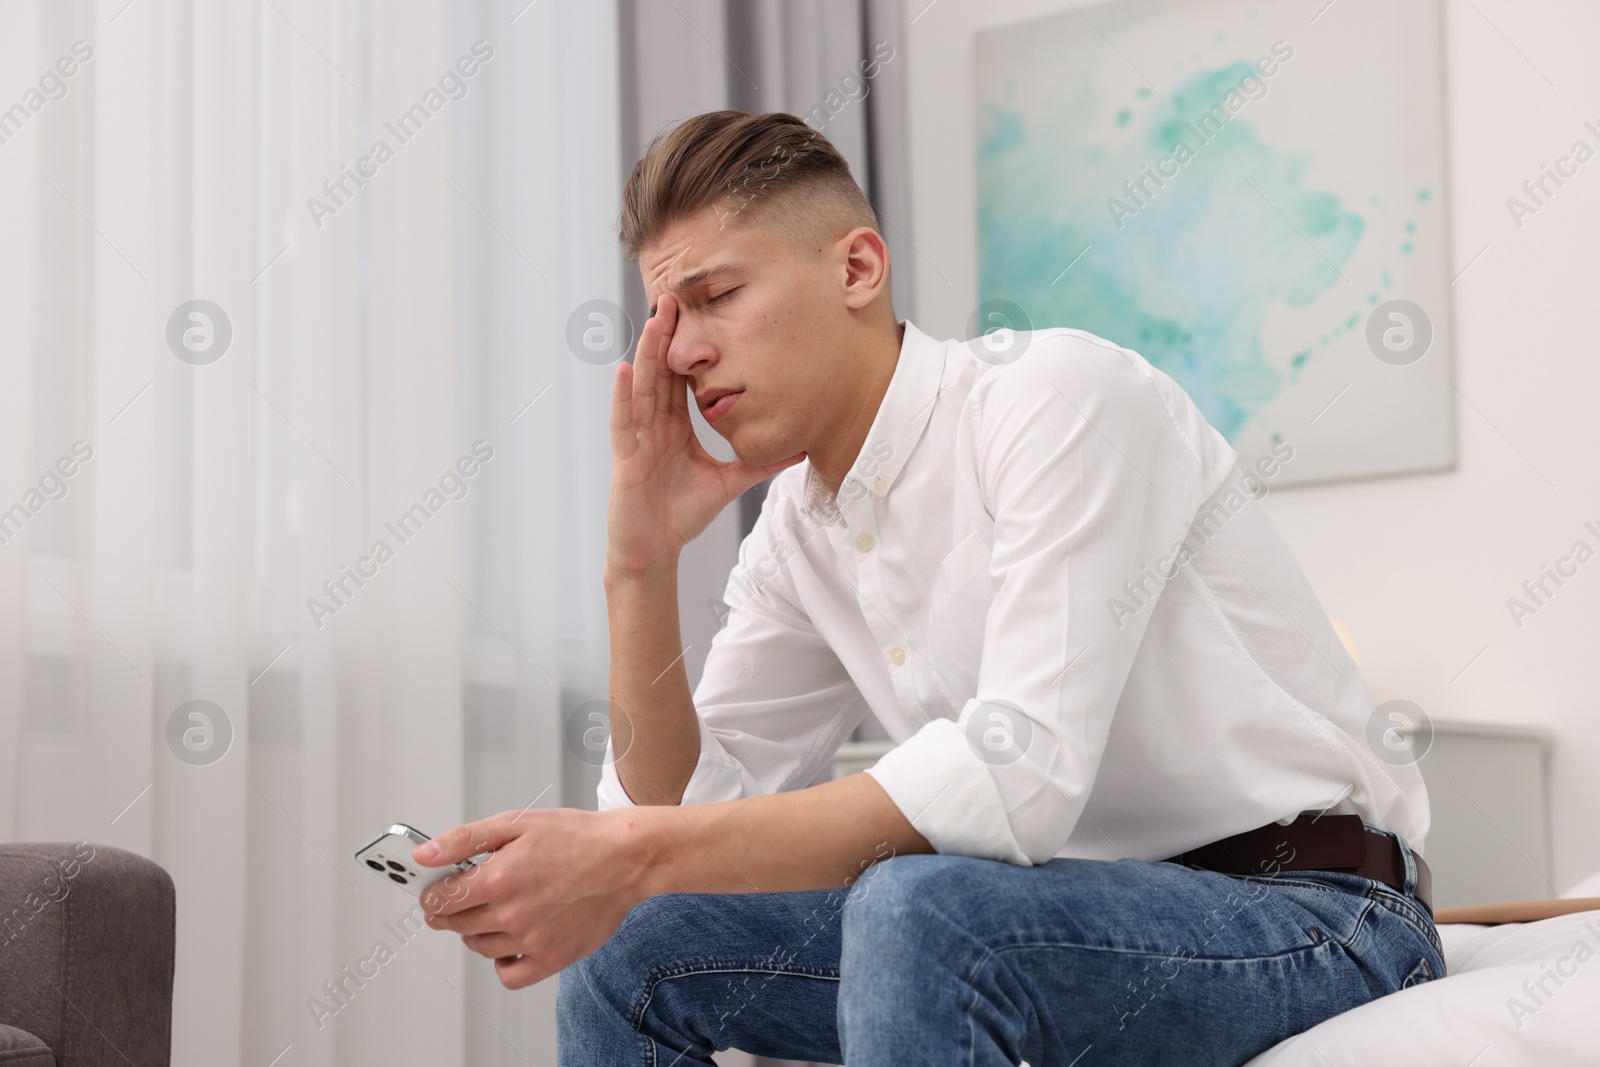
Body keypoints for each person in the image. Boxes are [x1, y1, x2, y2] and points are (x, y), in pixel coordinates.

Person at [414, 109, 1444, 1066]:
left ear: (857, 266)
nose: (680, 351)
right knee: (630, 943)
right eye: (664, 314)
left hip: (1314, 914)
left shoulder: (1057, 401)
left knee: (917, 905)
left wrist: (630, 854)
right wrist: (637, 566)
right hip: (1049, 919)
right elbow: (685, 816)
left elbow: (1018, 778)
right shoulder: (797, 533)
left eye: (716, 295)